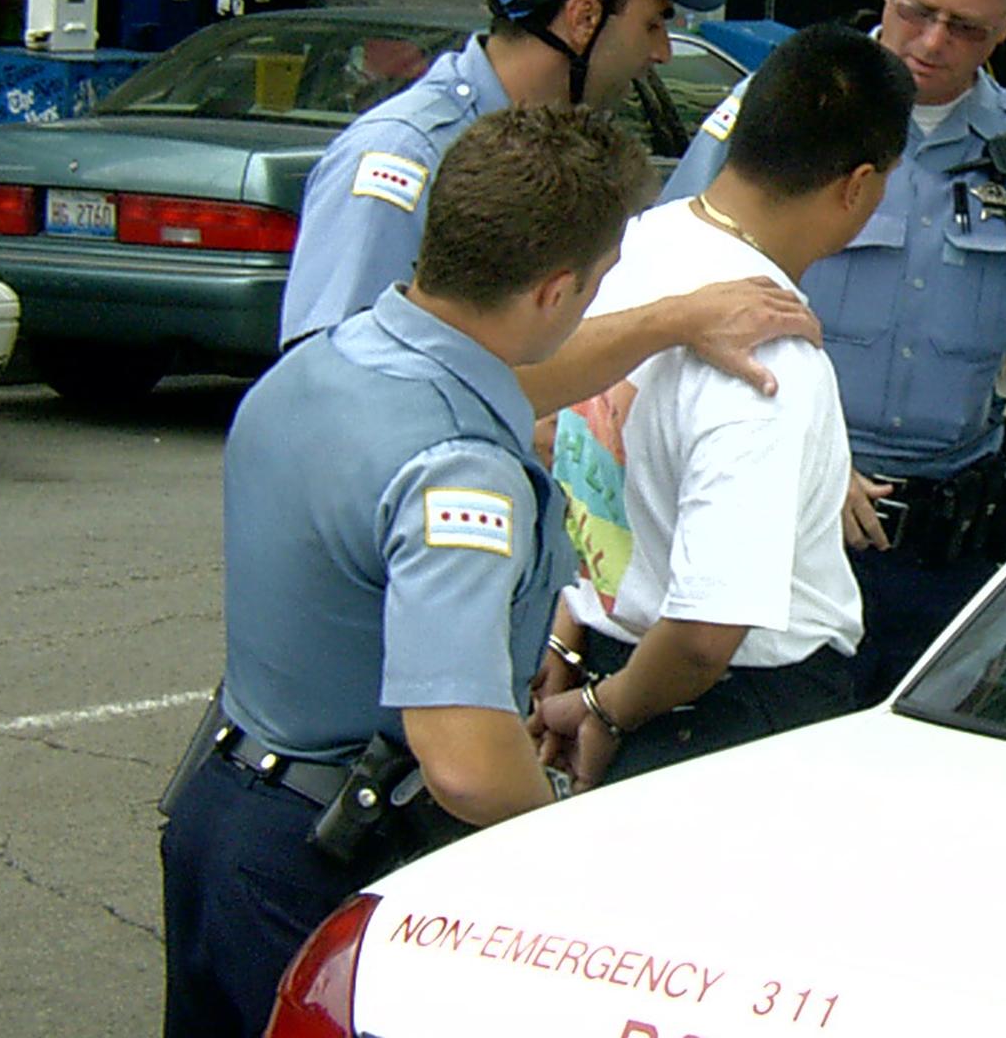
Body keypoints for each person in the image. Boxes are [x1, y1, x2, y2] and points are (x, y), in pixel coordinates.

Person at [159, 106, 649, 1038]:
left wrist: (667, 324)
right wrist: (568, 824)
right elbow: (464, 761)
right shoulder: (461, 467)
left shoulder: (328, 363)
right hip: (331, 852)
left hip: (223, 809)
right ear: (554, 290)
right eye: (596, 287)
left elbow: (489, 381)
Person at [660, 0, 1006, 704]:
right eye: (917, 10)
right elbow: (672, 289)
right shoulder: (787, 111)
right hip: (797, 532)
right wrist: (816, 459)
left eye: (966, 26)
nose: (932, 42)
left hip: (949, 554)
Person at [533, 24, 915, 788]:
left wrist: (577, 642)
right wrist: (608, 714)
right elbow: (709, 635)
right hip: (726, 713)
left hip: (619, 658)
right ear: (858, 186)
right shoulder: (765, 351)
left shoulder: (633, 249)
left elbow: (573, 456)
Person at [278, 0, 728, 352]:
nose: (663, 52)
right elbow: (338, 375)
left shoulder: (568, 153)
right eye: (653, 24)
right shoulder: (405, 156)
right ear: (583, 18)